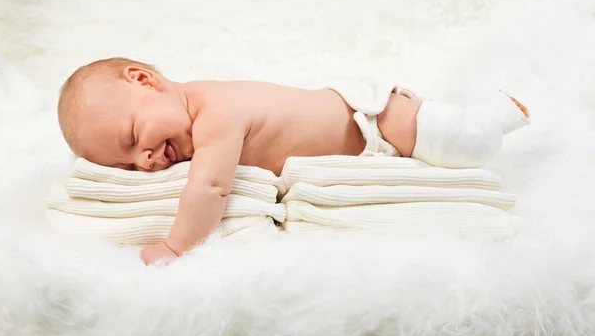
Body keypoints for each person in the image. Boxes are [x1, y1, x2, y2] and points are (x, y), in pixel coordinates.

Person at [57, 57, 530, 265]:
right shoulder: (184, 122)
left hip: (376, 120)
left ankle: (497, 116)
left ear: (145, 80)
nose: (144, 162)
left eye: (135, 137)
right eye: (126, 166)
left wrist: (177, 247)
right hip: (363, 138)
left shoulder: (214, 115)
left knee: (464, 145)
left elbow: (209, 189)